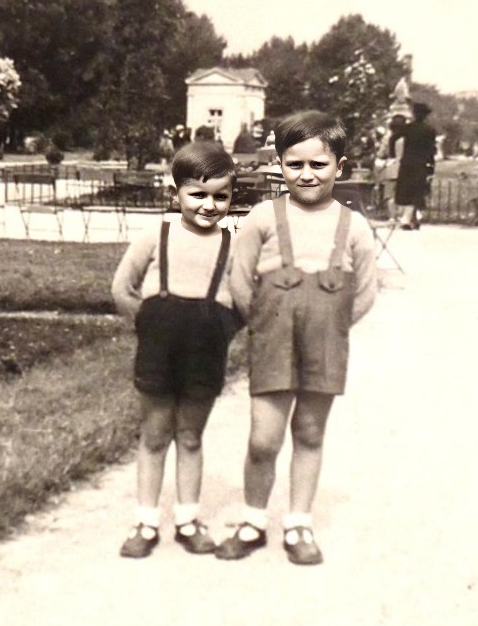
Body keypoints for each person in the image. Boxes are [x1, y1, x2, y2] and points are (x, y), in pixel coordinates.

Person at [215, 110, 377, 565]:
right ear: (279, 166)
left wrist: (336, 326)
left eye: (318, 165)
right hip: (272, 338)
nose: (306, 174)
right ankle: (252, 519)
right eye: (295, 164)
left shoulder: (354, 226)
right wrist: (263, 322)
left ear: (339, 168)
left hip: (325, 341)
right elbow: (240, 280)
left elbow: (364, 291)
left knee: (309, 431)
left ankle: (299, 523)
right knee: (263, 438)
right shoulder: (264, 217)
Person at [111, 141, 239, 558]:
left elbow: (244, 301)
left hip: (205, 349)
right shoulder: (156, 235)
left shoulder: (232, 245)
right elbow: (121, 288)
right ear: (175, 193)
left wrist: (223, 328)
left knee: (190, 435)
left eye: (220, 195)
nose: (209, 204)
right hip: (160, 347)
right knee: (154, 434)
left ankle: (187, 519)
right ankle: (146, 522)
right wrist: (147, 323)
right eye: (197, 194)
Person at [395, 102, 437, 229]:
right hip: (421, 163)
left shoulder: (407, 128)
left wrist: (393, 154)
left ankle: (408, 218)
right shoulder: (430, 130)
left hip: (407, 163)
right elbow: (431, 150)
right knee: (418, 190)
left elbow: (394, 138)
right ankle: (414, 217)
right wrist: (431, 166)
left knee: (406, 190)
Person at [374, 113, 407, 221]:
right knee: (403, 193)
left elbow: (381, 153)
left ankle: (392, 217)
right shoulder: (407, 138)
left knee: (390, 194)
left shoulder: (388, 138)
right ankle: (402, 216)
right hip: (405, 167)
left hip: (391, 166)